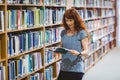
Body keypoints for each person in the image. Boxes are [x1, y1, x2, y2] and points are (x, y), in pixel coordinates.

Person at [57, 8, 89, 80]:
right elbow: (62, 47)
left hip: (76, 70)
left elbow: (87, 52)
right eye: (66, 20)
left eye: (71, 20)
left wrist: (79, 53)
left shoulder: (81, 33)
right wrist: (56, 50)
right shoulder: (63, 32)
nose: (68, 23)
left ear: (76, 20)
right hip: (63, 68)